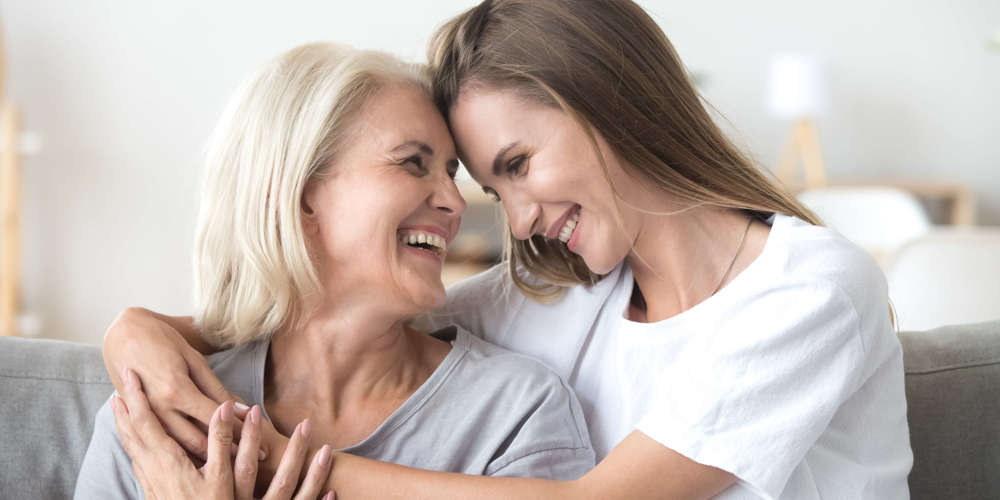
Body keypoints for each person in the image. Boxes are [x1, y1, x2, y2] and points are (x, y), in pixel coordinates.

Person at [102, 1, 913, 498]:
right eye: (498, 187)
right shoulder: (562, 293)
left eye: (517, 165)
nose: (516, 220)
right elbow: (339, 311)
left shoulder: (808, 287)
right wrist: (140, 328)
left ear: (608, 101)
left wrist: (276, 462)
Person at [74, 41, 596, 500]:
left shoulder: (515, 414)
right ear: (301, 196)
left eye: (451, 173)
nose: (453, 203)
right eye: (413, 162)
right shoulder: (158, 417)